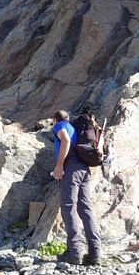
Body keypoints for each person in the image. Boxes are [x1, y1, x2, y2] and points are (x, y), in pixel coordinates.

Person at [52, 109, 101, 265]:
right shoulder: (75, 128)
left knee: (69, 208)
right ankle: (95, 253)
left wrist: (59, 165)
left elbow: (65, 141)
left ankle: (75, 254)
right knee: (86, 209)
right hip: (84, 170)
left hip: (71, 169)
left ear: (55, 119)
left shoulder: (59, 125)